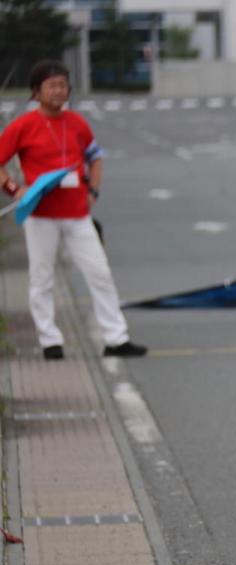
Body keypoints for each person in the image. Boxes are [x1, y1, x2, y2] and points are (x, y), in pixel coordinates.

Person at [0, 60, 147, 361]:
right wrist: (15, 189)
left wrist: (93, 190)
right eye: (51, 86)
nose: (58, 91)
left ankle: (116, 338)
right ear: (36, 92)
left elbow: (95, 157)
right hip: (40, 216)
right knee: (42, 278)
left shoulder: (77, 122)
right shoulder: (23, 126)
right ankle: (49, 341)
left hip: (77, 214)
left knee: (100, 273)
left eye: (63, 85)